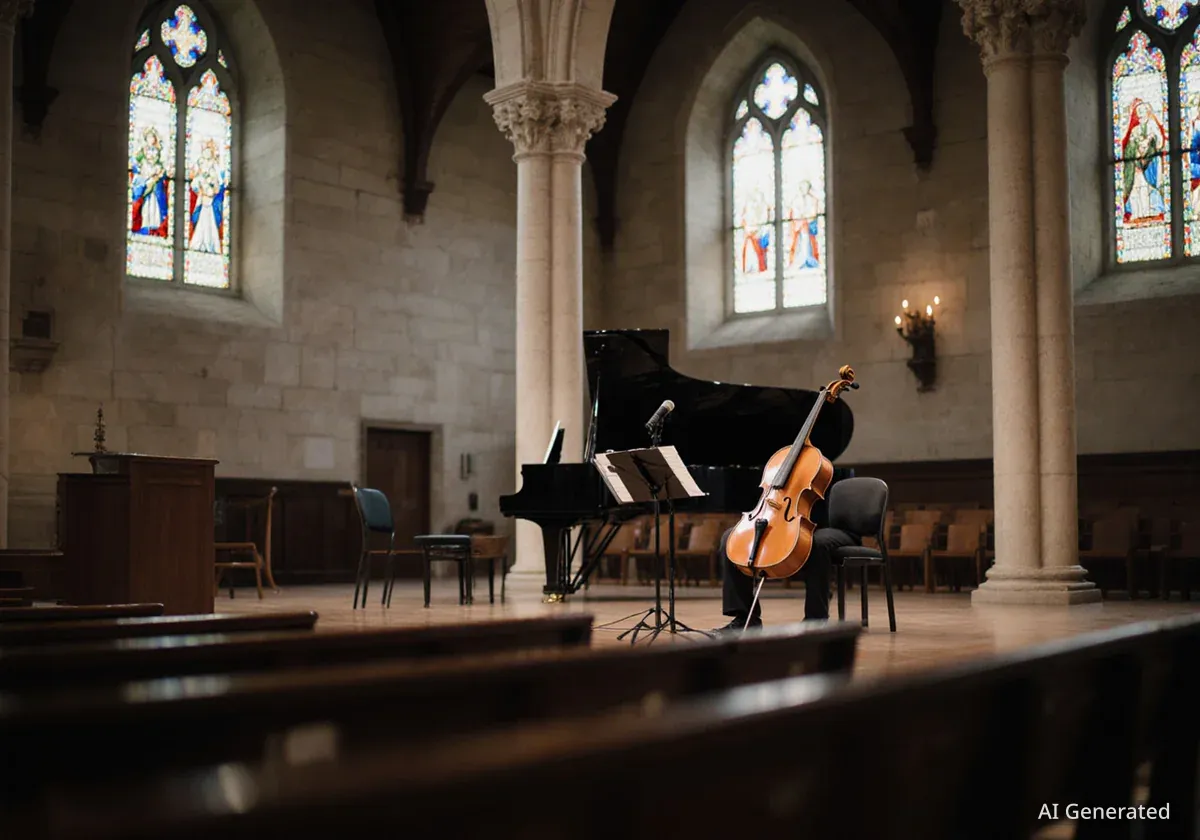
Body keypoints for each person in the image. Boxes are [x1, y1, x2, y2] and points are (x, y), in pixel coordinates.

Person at [713, 521, 859, 632]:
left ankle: (816, 620)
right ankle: (745, 619)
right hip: (782, 520)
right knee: (730, 538)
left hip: (826, 524)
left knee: (816, 544)